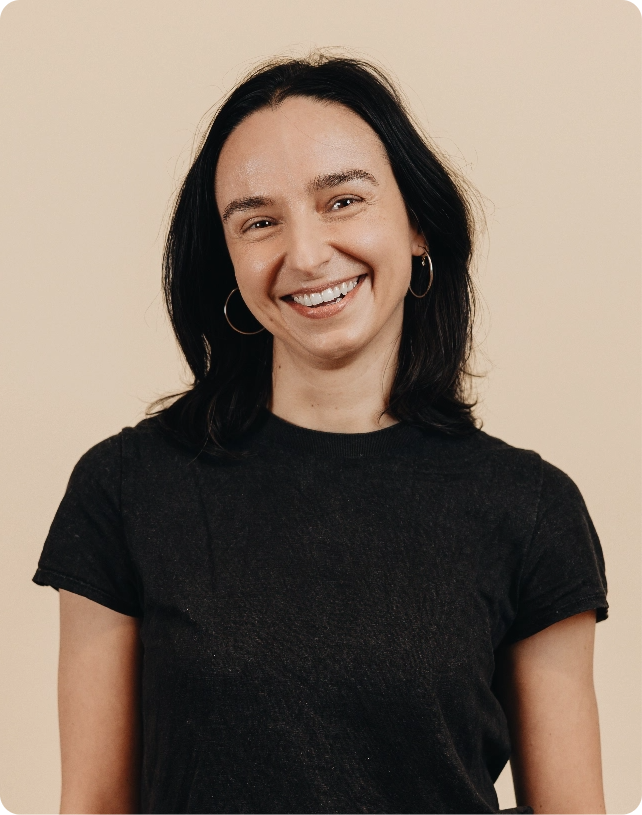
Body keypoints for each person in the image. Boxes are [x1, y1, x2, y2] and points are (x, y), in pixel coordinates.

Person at [34, 54, 609, 815]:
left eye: (342, 200)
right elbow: (94, 803)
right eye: (260, 221)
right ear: (228, 262)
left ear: (419, 227)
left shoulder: (531, 508)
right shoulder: (123, 490)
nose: (305, 255)